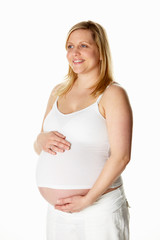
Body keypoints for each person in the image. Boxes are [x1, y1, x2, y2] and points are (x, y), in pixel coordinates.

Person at [34, 20, 133, 240]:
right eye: (70, 46)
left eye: (84, 46)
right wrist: (40, 140)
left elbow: (121, 156)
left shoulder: (112, 94)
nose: (75, 52)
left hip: (99, 210)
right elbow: (40, 145)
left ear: (100, 52)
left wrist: (87, 200)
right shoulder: (58, 91)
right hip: (58, 212)